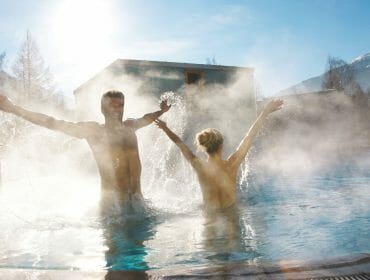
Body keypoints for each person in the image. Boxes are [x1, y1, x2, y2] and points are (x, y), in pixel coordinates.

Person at [0, 91, 171, 212]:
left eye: (120, 106)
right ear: (103, 109)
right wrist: (14, 109)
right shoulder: (95, 131)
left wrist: (161, 111)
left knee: (140, 259)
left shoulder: (130, 126)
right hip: (112, 209)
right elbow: (52, 122)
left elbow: (147, 118)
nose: (116, 110)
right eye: (111, 105)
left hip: (138, 205)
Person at [155, 99, 283, 211]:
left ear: (203, 148)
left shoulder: (199, 165)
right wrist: (265, 112)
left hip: (210, 219)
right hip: (231, 215)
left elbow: (180, 144)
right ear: (221, 146)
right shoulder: (233, 164)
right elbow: (249, 137)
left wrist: (166, 128)